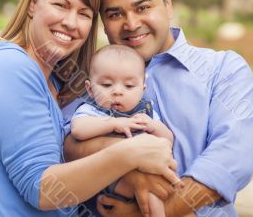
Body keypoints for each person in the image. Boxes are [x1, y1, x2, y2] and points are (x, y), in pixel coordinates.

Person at [0, 0, 180, 217]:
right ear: (33, 4)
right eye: (61, 5)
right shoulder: (10, 67)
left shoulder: (55, 83)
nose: (70, 22)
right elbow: (43, 189)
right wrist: (130, 153)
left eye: (84, 14)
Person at [63, 0, 253, 217]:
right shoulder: (94, 74)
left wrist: (154, 212)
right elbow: (67, 142)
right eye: (115, 13)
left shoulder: (223, 70)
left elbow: (230, 159)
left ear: (167, 3)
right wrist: (130, 165)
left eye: (142, 7)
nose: (131, 24)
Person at [71, 44, 175, 217]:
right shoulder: (93, 110)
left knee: (155, 191)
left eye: (128, 86)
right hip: (111, 177)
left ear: (142, 90)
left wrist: (153, 126)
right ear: (90, 89)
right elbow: (78, 130)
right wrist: (113, 123)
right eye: (106, 84)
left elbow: (168, 139)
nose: (117, 91)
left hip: (147, 173)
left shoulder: (145, 113)